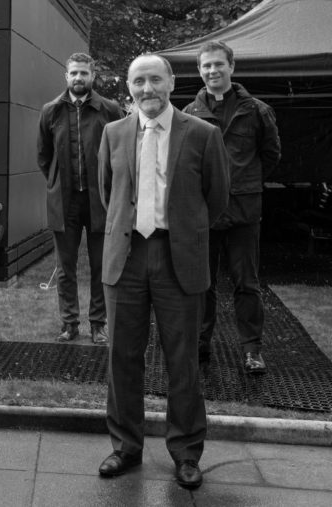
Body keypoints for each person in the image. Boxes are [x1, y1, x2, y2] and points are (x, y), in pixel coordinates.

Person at [97, 54, 229, 490]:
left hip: (179, 260)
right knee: (122, 357)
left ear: (172, 82)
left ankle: (187, 453)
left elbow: (217, 198)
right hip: (127, 256)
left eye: (155, 79)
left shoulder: (204, 135)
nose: (147, 88)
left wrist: (183, 232)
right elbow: (107, 194)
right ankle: (125, 447)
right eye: (139, 81)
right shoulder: (113, 133)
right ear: (129, 87)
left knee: (182, 360)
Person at [184, 40, 281, 375]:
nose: (212, 71)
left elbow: (271, 155)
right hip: (205, 214)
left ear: (232, 67)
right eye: (206, 66)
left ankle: (252, 350)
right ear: (200, 71)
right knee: (202, 283)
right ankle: (199, 343)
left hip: (243, 214)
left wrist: (243, 183)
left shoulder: (257, 110)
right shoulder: (189, 114)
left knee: (247, 284)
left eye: (218, 65)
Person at [38, 53, 123, 344]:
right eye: (73, 73)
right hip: (65, 200)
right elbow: (43, 156)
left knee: (102, 265)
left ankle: (98, 324)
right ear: (66, 76)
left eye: (84, 73)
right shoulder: (51, 111)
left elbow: (120, 154)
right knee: (66, 267)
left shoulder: (109, 109)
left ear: (93, 75)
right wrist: (55, 182)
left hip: (101, 200)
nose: (78, 78)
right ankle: (69, 323)